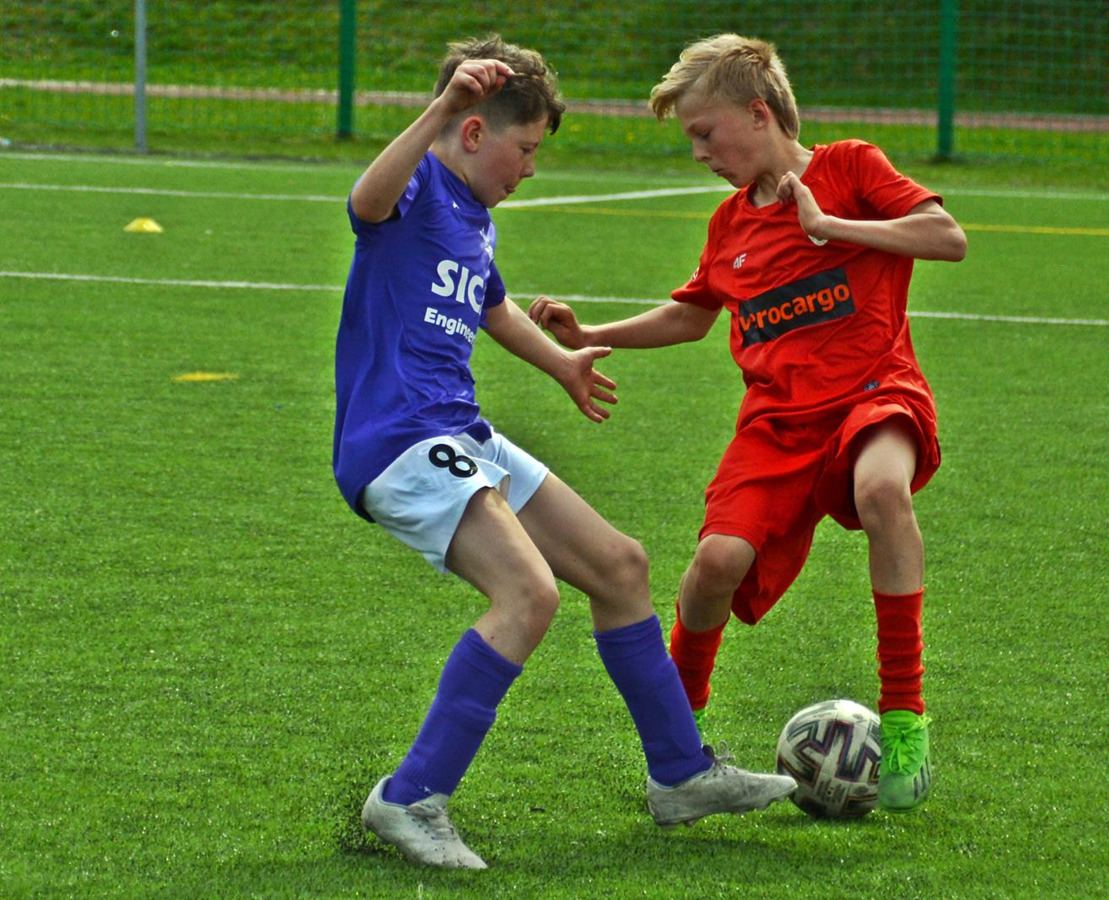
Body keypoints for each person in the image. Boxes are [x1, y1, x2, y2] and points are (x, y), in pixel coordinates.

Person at [332, 35, 796, 871]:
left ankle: (680, 775)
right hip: (399, 440)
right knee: (528, 594)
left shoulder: (472, 218)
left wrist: (562, 364)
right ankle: (409, 797)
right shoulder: (418, 186)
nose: (530, 168)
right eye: (525, 148)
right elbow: (365, 202)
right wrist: (440, 108)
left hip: (459, 433)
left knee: (619, 566)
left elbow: (494, 309)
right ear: (473, 131)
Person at [529, 34, 967, 813]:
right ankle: (678, 739)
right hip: (775, 425)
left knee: (881, 490)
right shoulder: (730, 223)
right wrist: (589, 334)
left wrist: (833, 227)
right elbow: (691, 315)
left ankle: (904, 720)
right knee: (715, 562)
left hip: (874, 393)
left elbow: (945, 238)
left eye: (705, 133)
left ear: (759, 114)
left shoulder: (850, 168)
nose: (699, 153)